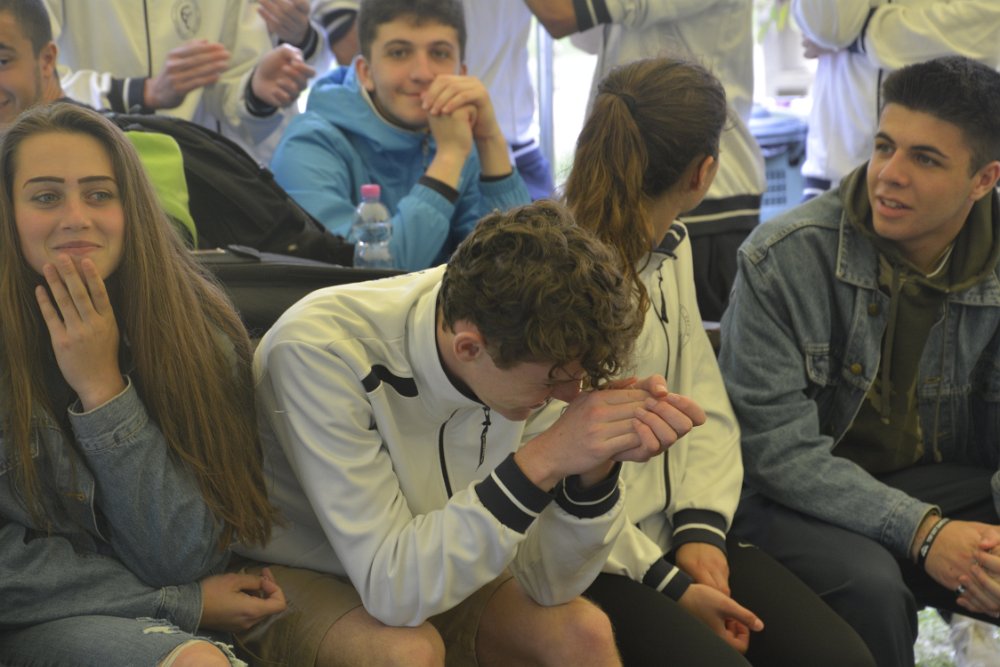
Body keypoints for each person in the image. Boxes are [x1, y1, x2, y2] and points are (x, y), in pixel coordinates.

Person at [232, 199, 707, 666]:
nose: (570, 397)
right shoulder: (319, 352)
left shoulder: (522, 332)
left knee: (583, 633)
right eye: (553, 381)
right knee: (407, 655)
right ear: (468, 348)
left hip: (428, 559)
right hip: (291, 570)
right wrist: (544, 459)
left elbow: (547, 584)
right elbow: (391, 589)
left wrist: (594, 473)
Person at [561, 56, 875, 667]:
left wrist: (701, 528)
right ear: (704, 173)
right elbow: (551, 482)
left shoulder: (669, 249)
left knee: (840, 657)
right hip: (592, 558)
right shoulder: (562, 276)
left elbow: (703, 405)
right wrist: (670, 582)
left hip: (674, 535)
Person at [718, 55, 1000, 667]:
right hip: (792, 500)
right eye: (884, 146)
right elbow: (775, 453)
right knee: (870, 589)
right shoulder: (783, 258)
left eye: (925, 159)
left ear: (983, 180)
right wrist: (923, 532)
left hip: (929, 484)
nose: (889, 175)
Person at [0, 102, 287, 666]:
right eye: (46, 197)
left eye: (99, 194)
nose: (77, 217)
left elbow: (185, 555)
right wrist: (176, 603)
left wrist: (102, 389)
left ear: (130, 208)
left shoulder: (196, 330)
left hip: (148, 624)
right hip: (26, 622)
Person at [525, 0, 766, 322]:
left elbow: (561, 15)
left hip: (695, 196)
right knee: (606, 334)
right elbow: (587, 36)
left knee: (669, 341)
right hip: (631, 186)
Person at [269, 0, 530, 272]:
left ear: (461, 73)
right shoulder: (308, 145)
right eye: (399, 53)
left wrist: (490, 140)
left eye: (439, 53)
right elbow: (368, 278)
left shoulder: (458, 137)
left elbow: (520, 271)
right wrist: (448, 159)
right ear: (365, 73)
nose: (422, 73)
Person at [42, 0, 317, 164]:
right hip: (92, 157)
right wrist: (141, 93)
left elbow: (232, 89)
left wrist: (255, 92)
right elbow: (35, 75)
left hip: (200, 173)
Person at [793, 0, 1000, 199]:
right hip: (838, 170)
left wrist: (861, 37)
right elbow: (827, 25)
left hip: (950, 181)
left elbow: (986, 28)